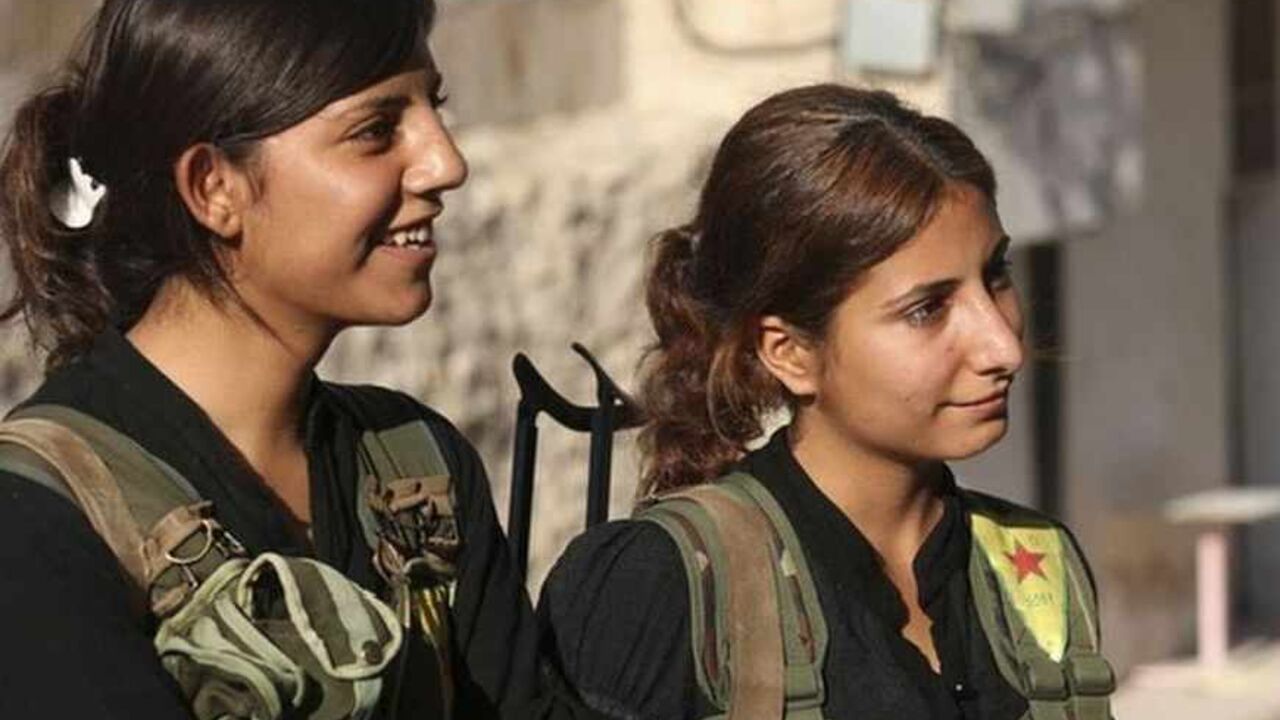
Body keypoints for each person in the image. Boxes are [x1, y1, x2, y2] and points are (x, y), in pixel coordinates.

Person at [0, 1, 594, 718]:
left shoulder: (417, 471)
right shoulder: (40, 517)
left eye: (433, 108)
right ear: (214, 189)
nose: (447, 164)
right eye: (376, 131)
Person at [539, 85, 1115, 719]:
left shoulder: (1033, 567)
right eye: (928, 309)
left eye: (996, 275)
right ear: (788, 353)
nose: (1002, 345)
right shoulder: (657, 586)